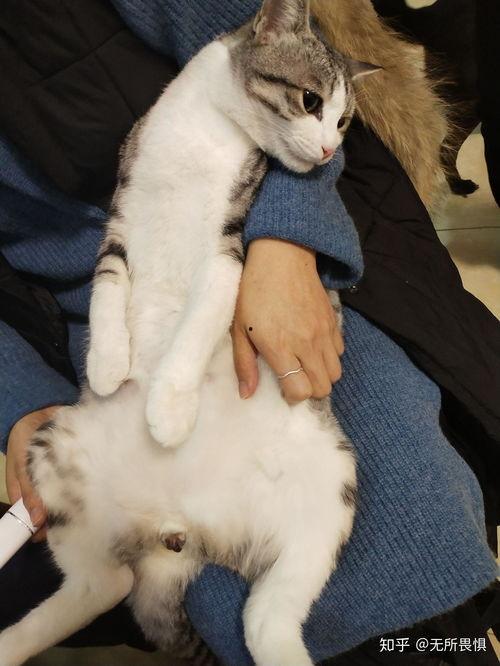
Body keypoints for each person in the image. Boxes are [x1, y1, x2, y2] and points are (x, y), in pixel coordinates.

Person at [0, 0, 499, 664]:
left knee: (397, 513)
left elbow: (268, 58)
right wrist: (19, 399)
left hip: (263, 222)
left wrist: (286, 242)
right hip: (92, 310)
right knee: (198, 564)